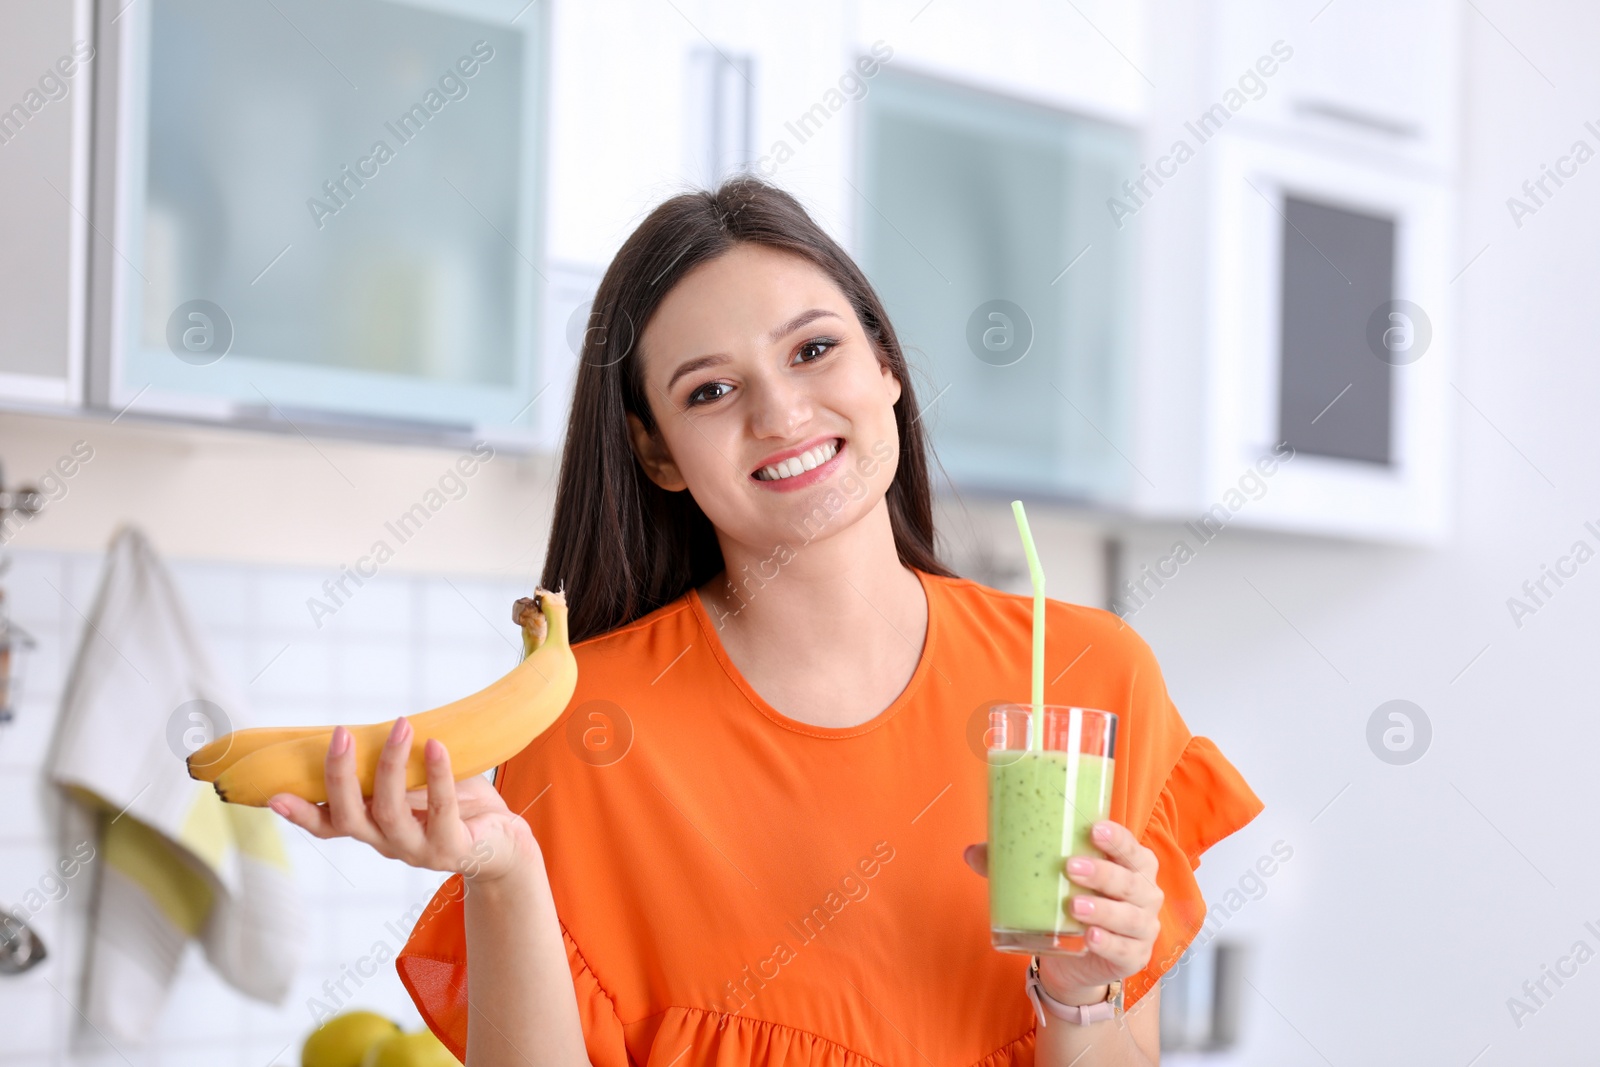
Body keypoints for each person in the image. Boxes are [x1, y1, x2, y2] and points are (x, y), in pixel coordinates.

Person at [268, 176, 1264, 1067]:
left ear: (887, 366)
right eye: (711, 389)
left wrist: (1081, 992)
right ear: (657, 453)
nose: (781, 411)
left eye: (814, 348)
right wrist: (504, 874)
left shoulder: (1085, 684)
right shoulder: (581, 730)